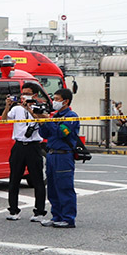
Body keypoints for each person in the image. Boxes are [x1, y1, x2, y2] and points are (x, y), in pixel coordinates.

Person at [2, 84, 48, 222]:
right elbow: (4, 120)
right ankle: (13, 210)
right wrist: (7, 106)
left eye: (28, 93)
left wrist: (30, 109)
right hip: (19, 146)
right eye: (23, 93)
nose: (24, 96)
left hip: (34, 146)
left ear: (34, 95)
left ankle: (39, 212)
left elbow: (44, 120)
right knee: (14, 179)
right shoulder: (16, 109)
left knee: (37, 180)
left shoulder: (40, 107)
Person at [39, 88, 80, 228]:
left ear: (65, 101)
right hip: (51, 154)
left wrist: (48, 121)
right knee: (52, 188)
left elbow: (62, 132)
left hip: (63, 155)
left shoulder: (71, 116)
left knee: (65, 187)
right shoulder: (55, 116)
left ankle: (68, 218)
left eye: (56, 99)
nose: (54, 102)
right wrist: (42, 121)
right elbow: (44, 134)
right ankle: (56, 216)